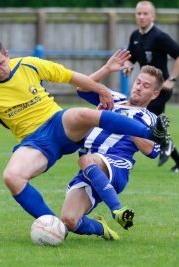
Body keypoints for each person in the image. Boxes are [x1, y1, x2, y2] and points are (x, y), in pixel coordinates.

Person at [0, 40, 169, 221]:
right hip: (35, 143)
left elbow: (69, 77)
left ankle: (151, 133)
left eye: (1, 62)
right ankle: (50, 224)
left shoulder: (29, 64)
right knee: (11, 176)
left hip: (59, 123)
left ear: (7, 55)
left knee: (85, 114)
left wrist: (101, 89)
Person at [61, 53, 165, 241]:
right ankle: (103, 229)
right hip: (89, 169)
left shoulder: (150, 118)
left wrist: (127, 123)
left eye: (146, 86)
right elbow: (81, 88)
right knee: (69, 220)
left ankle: (117, 209)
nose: (139, 87)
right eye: (138, 82)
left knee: (86, 159)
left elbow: (151, 151)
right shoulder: (114, 99)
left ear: (155, 94)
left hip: (116, 165)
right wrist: (107, 68)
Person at [124, 1, 179, 173]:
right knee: (154, 122)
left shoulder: (159, 36)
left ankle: (165, 145)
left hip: (159, 90)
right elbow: (131, 57)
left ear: (153, 16)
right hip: (145, 88)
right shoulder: (135, 36)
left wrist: (172, 79)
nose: (141, 17)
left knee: (143, 120)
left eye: (145, 13)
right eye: (139, 13)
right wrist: (128, 65)